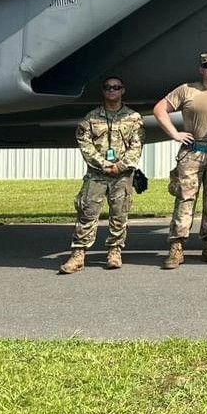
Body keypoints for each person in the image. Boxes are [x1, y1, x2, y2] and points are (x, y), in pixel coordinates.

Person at [153, 52, 207, 269]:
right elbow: (159, 109)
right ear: (201, 69)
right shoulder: (186, 89)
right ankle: (177, 247)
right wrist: (175, 133)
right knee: (185, 199)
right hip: (192, 151)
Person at [58, 76, 145, 274]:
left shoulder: (133, 118)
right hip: (97, 174)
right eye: (108, 87)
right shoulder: (91, 118)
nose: (112, 90)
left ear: (123, 91)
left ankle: (115, 251)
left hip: (122, 175)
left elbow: (137, 145)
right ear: (103, 91)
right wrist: (104, 164)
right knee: (87, 212)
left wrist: (120, 165)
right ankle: (78, 253)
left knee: (119, 213)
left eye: (116, 87)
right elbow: (84, 143)